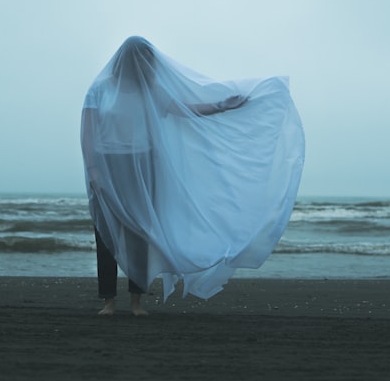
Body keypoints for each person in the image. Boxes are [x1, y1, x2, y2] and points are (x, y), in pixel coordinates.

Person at [80, 36, 304, 315]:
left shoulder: (150, 90)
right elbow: (88, 132)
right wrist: (93, 170)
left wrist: (223, 105)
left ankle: (136, 302)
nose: (146, 64)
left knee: (139, 233)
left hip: (145, 164)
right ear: (126, 59)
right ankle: (109, 301)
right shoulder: (100, 89)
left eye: (148, 59)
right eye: (140, 58)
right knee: (106, 234)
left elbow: (185, 110)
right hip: (110, 165)